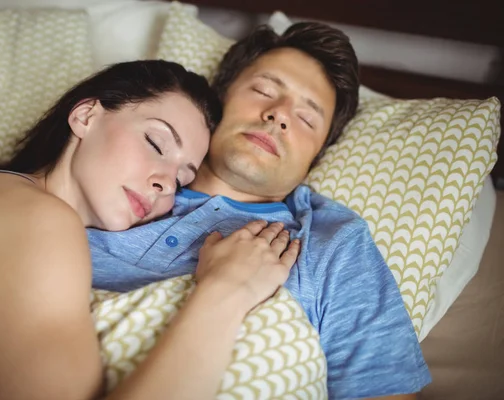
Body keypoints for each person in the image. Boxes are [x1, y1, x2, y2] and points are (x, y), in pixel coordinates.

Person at [88, 23, 432, 399]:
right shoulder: (116, 172)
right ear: (218, 100)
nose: (279, 115)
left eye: (307, 119)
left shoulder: (332, 243)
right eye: (264, 90)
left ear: (315, 157)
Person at [0, 60, 300, 400]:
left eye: (182, 180)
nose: (165, 183)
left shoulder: (7, 199)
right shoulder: (40, 219)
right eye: (155, 143)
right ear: (86, 116)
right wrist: (226, 292)